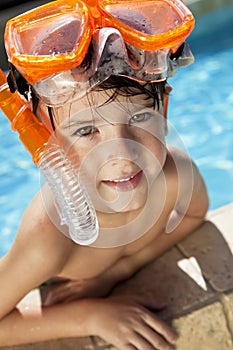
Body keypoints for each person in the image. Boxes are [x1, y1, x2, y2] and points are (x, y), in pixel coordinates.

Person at [0, 0, 209, 349]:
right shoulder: (51, 233)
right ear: (45, 142)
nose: (122, 154)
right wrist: (91, 316)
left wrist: (117, 273)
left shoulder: (175, 177)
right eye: (85, 131)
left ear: (164, 109)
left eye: (140, 119)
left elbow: (194, 215)